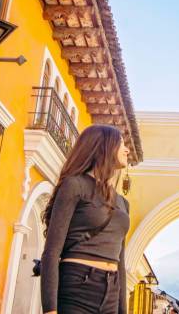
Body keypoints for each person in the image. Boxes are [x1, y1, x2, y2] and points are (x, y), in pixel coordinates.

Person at [40, 124, 131, 314]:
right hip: (77, 285)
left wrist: (123, 311)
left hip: (111, 290)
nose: (127, 149)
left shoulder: (123, 203)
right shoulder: (75, 186)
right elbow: (51, 252)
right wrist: (50, 309)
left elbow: (120, 261)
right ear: (104, 146)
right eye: (120, 143)